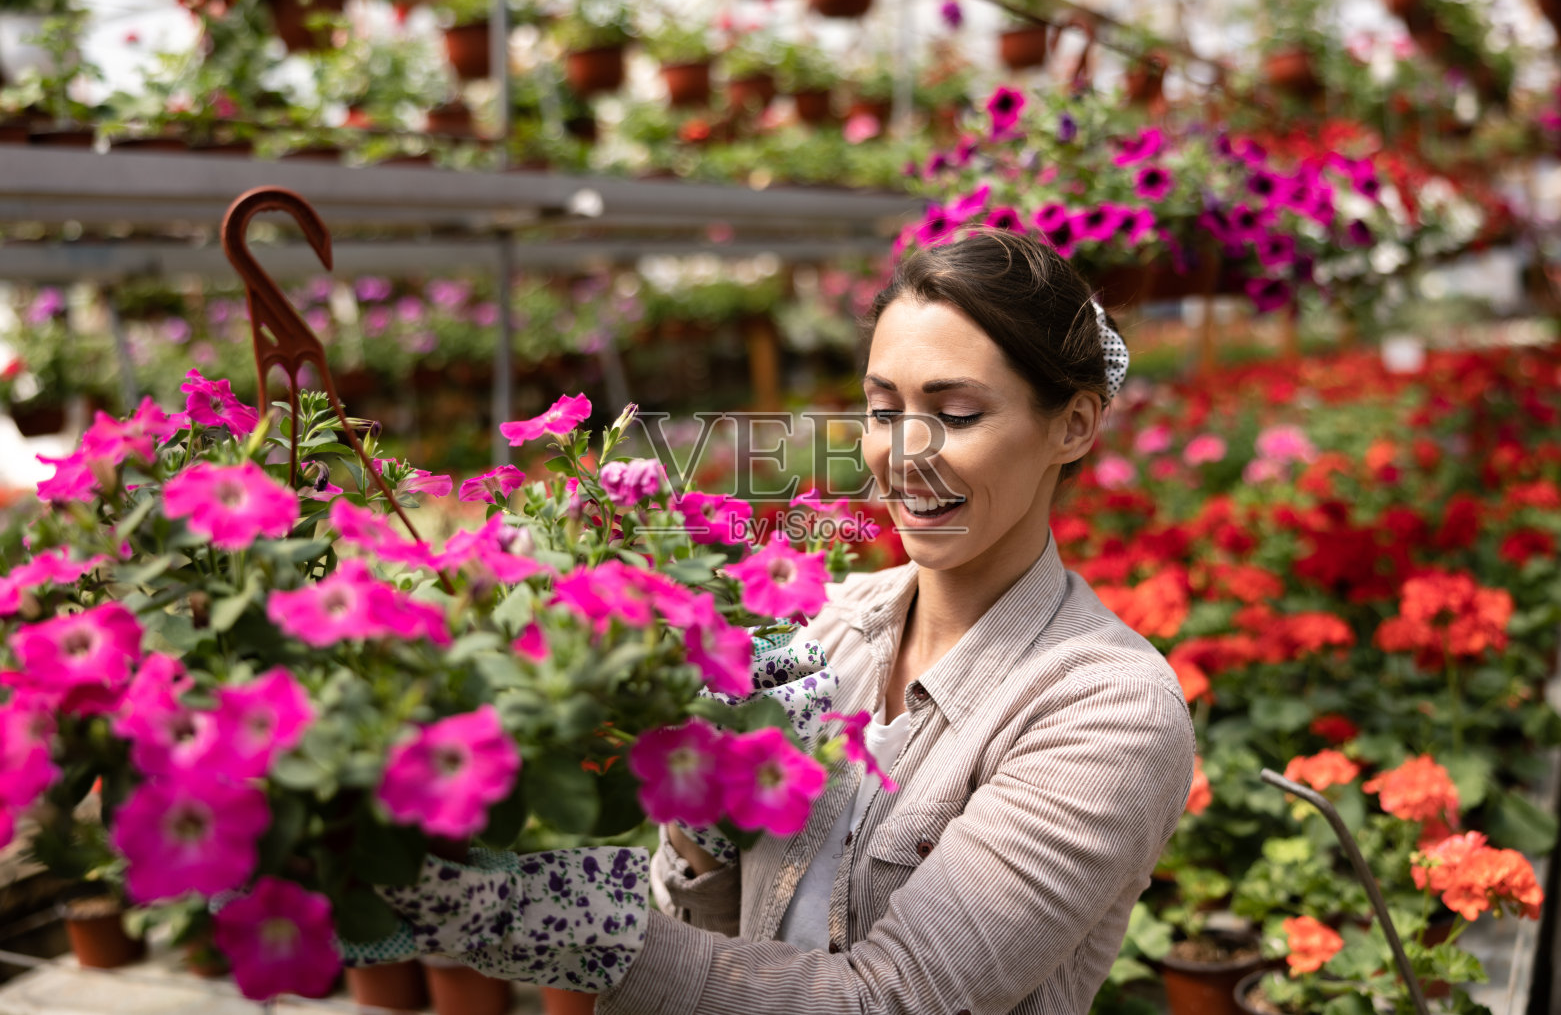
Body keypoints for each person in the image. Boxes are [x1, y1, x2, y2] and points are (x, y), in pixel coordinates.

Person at [362, 229, 1195, 1015]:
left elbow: (894, 999)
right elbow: (719, 941)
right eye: (881, 408)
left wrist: (589, 932)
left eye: (958, 412)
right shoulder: (823, 631)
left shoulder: (1108, 709)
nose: (901, 452)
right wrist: (698, 825)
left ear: (1074, 424)